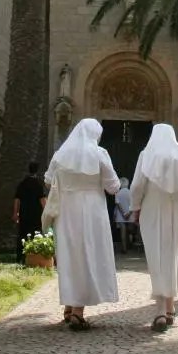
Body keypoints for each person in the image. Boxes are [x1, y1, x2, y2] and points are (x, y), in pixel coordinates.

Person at [44, 118, 120, 330]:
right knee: (87, 255)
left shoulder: (60, 154)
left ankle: (69, 306)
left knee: (69, 255)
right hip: (92, 211)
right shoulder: (100, 153)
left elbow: (48, 180)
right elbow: (113, 186)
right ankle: (78, 312)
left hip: (66, 211)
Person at [130, 123, 178, 333]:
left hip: (152, 209)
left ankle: (161, 311)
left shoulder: (146, 155)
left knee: (157, 258)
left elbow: (137, 186)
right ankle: (170, 308)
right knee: (173, 257)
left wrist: (136, 208)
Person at [12, 161, 46, 262]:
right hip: (36, 214)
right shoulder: (38, 185)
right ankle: (33, 256)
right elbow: (42, 200)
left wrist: (15, 213)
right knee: (35, 234)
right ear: (37, 171)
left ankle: (20, 257)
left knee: (22, 234)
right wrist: (46, 212)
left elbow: (17, 199)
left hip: (24, 213)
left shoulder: (22, 184)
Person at [112, 177, 136, 253]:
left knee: (123, 231)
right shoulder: (131, 193)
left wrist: (123, 213)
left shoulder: (117, 193)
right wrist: (128, 213)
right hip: (130, 215)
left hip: (120, 215)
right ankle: (130, 244)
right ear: (128, 184)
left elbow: (117, 204)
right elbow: (133, 204)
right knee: (130, 230)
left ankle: (124, 248)